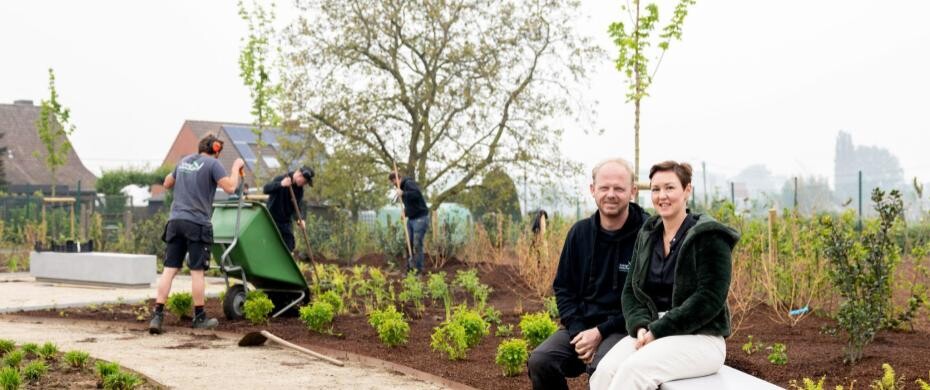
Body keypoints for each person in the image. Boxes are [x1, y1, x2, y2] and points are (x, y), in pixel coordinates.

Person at [589, 161, 740, 390]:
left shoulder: (710, 236)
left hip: (701, 338)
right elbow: (631, 291)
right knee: (605, 372)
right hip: (653, 328)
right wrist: (640, 326)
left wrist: (658, 330)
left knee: (633, 372)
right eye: (656, 189)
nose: (662, 196)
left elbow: (708, 299)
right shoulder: (649, 233)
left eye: (670, 188)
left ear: (687, 190)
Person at [527, 158, 648, 390]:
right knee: (541, 361)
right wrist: (580, 331)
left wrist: (600, 332)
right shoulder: (579, 233)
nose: (611, 194)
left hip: (626, 329)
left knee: (602, 369)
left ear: (632, 191)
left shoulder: (647, 234)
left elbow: (647, 300)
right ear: (593, 190)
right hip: (583, 326)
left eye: (619, 188)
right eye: (604, 187)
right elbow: (563, 287)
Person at [149, 134, 245, 334]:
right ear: (216, 149)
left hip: (175, 221)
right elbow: (230, 187)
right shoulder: (212, 164)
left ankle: (157, 316)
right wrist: (236, 168)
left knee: (169, 269)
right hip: (197, 224)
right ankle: (199, 317)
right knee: (197, 271)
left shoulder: (183, 161)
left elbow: (167, 183)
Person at [262, 167, 314, 252]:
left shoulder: (299, 190)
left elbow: (296, 207)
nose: (303, 184)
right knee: (270, 244)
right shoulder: (281, 179)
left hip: (285, 222)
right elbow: (265, 189)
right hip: (272, 219)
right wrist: (281, 184)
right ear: (299, 174)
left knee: (289, 244)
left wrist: (300, 219)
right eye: (304, 182)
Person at [388, 171, 429, 274]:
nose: (394, 185)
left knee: (416, 244)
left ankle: (419, 271)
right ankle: (410, 269)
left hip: (420, 218)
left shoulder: (408, 183)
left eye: (393, 182)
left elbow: (417, 194)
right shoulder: (402, 187)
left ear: (396, 179)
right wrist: (405, 213)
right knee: (409, 245)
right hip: (411, 219)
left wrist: (403, 193)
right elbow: (411, 204)